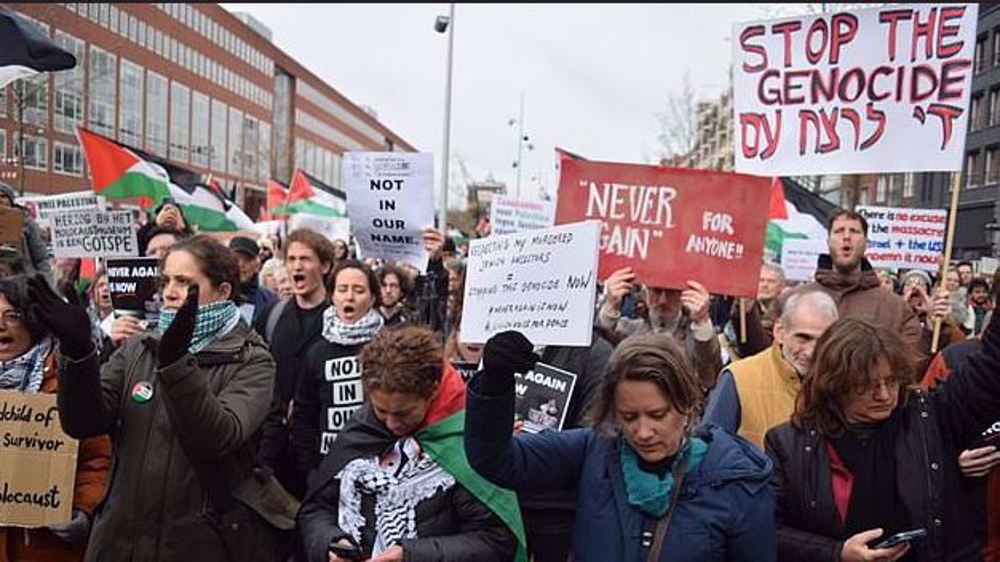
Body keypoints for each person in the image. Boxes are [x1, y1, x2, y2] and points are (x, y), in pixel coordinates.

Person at [29, 235, 292, 562]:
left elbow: (218, 436)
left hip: (198, 546)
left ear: (222, 292)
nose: (169, 292)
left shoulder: (252, 359)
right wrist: (78, 354)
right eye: (166, 280)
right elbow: (84, 422)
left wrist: (175, 364)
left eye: (184, 282)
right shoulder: (140, 348)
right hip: (118, 544)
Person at [465, 331, 776, 561]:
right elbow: (495, 459)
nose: (642, 432)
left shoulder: (737, 482)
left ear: (686, 404)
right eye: (628, 417)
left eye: (657, 415)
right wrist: (495, 382)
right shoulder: (594, 451)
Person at [765, 314, 1000, 561]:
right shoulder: (788, 444)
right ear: (834, 383)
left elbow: (989, 370)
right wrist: (837, 553)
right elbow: (767, 530)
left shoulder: (928, 418)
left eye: (891, 381)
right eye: (867, 385)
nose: (884, 395)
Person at [298, 326, 522, 562]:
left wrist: (411, 556)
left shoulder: (468, 439)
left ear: (433, 391)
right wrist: (331, 543)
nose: (391, 423)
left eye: (404, 413)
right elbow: (317, 509)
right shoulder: (362, 428)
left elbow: (495, 541)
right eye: (381, 410)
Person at [0, 276, 111, 561]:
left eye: (11, 316)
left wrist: (84, 511)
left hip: (44, 548)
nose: (0, 325)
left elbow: (97, 459)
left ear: (33, 322)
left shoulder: (67, 383)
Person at [255, 229, 338, 500]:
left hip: (320, 445)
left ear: (324, 266)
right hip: (275, 447)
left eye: (305, 259)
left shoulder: (340, 320)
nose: (297, 266)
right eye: (291, 259)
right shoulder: (273, 315)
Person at [704, 288, 839, 449]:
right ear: (780, 331)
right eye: (803, 338)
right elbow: (710, 448)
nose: (811, 352)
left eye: (823, 341)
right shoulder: (740, 378)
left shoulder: (842, 381)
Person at [291, 259, 384, 481]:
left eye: (358, 290)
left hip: (378, 469)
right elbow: (304, 414)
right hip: (329, 473)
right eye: (342, 289)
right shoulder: (317, 352)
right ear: (332, 296)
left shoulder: (387, 346)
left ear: (371, 298)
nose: (349, 297)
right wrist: (312, 472)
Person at [807, 209, 922, 356]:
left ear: (866, 242)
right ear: (828, 241)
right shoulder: (795, 299)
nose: (847, 237)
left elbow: (913, 361)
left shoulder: (896, 308)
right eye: (839, 231)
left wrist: (937, 325)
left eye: (854, 231)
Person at [597, 266, 722, 391]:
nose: (663, 300)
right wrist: (610, 307)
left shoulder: (697, 337)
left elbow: (709, 378)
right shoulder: (627, 330)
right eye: (656, 291)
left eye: (671, 292)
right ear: (646, 292)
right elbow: (599, 357)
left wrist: (702, 322)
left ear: (683, 294)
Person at [0, 182, 52, 281]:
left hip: (22, 281)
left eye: (3, 196)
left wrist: (46, 285)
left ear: (10, 200)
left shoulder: (25, 221)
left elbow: (40, 258)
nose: (0, 200)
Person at [229, 236, 276, 325]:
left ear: (257, 266)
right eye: (236, 258)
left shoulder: (269, 300)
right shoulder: (215, 296)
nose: (241, 264)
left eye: (247, 259)